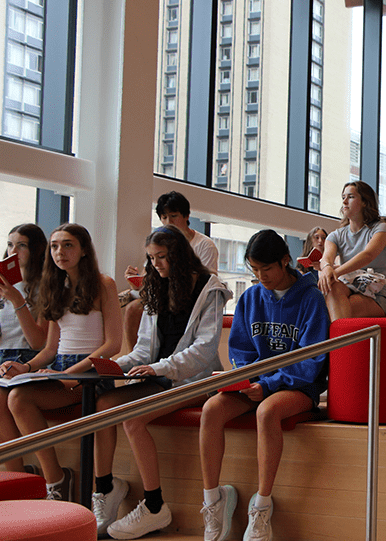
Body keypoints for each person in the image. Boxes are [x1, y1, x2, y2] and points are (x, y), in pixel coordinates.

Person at [92, 226, 231, 539]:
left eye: (163, 257)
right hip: (160, 376)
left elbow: (205, 350)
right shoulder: (156, 286)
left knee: (133, 420)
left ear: (179, 256)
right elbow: (143, 348)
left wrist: (159, 368)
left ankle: (154, 506)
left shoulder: (210, 288)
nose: (156, 264)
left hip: (195, 380)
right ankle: (106, 489)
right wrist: (117, 365)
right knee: (101, 405)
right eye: (152, 258)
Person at [198, 230, 329, 541]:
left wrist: (268, 385)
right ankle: (213, 502)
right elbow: (240, 350)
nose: (261, 276)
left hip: (298, 387)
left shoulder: (311, 299)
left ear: (285, 261)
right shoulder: (251, 297)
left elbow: (312, 362)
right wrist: (246, 378)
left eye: (266, 269)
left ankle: (261, 507)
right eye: (254, 270)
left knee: (266, 413)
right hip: (256, 384)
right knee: (211, 410)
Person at [7, 223, 122, 500]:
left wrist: (70, 372)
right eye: (55, 246)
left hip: (91, 371)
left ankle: (57, 483)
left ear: (84, 250)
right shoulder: (55, 285)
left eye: (68, 245)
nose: (60, 252)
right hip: (61, 367)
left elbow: (112, 345)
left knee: (19, 399)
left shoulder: (103, 283)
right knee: (12, 396)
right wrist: (27, 367)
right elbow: (49, 349)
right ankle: (50, 479)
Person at [123, 191, 220, 352]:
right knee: (132, 307)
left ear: (187, 216)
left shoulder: (205, 245)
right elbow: (152, 278)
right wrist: (136, 282)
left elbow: (206, 281)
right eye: (164, 217)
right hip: (163, 293)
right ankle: (137, 361)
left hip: (187, 297)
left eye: (173, 216)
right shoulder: (156, 243)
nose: (168, 222)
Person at [0, 224, 49, 473]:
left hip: (28, 357)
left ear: (36, 250)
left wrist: (17, 301)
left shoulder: (43, 287)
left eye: (21, 245)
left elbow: (38, 343)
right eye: (10, 245)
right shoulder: (2, 284)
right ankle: (15, 476)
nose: (13, 251)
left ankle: (15, 477)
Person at [318, 181, 386, 320]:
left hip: (377, 295)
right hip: (348, 287)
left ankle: (339, 341)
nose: (345, 201)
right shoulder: (336, 235)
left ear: (365, 202)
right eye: (343, 197)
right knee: (332, 288)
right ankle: (340, 341)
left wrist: (334, 272)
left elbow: (367, 255)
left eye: (350, 197)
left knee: (341, 306)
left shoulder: (381, 227)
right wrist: (327, 268)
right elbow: (326, 258)